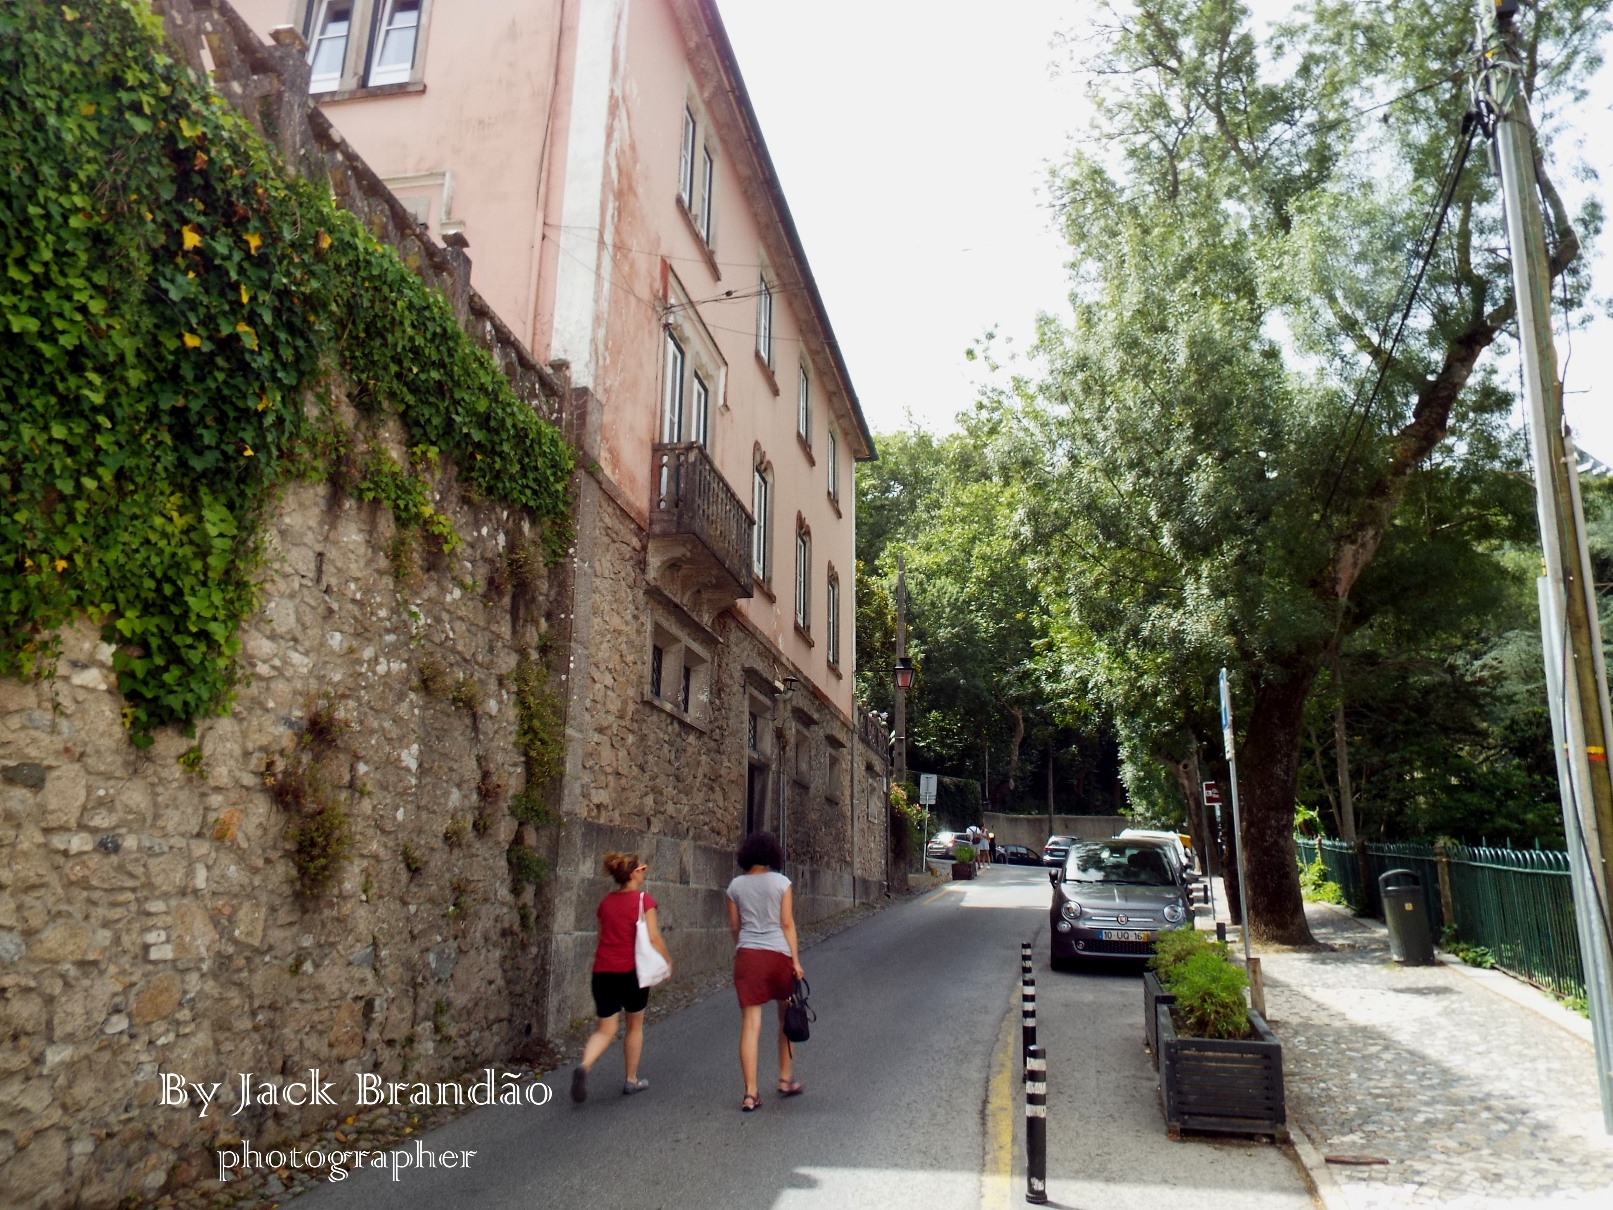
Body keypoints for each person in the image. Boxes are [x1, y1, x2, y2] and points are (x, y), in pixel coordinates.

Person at [570, 850, 672, 1103]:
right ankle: (631, 1079)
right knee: (634, 1026)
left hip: (602, 972)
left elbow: (601, 936)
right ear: (633, 873)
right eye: (642, 869)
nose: (644, 872)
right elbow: (653, 937)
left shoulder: (605, 903)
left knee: (605, 1029)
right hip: (632, 973)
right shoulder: (643, 901)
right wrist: (667, 961)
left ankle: (584, 1065)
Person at [726, 831, 804, 1112]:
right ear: (772, 855)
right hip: (778, 955)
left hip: (748, 956)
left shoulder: (735, 887)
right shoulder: (782, 883)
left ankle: (750, 1093)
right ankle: (785, 1077)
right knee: (787, 1016)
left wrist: (745, 950)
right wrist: (795, 960)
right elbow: (787, 924)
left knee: (750, 1024)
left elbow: (735, 928)